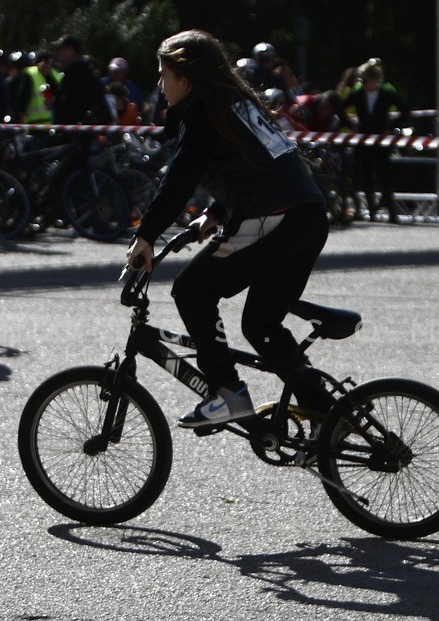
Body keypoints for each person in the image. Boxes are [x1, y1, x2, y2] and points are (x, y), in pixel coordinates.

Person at [125, 30, 329, 428]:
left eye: (164, 74)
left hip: (274, 215)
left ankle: (227, 392)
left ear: (185, 77)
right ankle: (325, 416)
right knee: (261, 325)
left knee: (191, 289)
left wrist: (146, 234)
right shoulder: (232, 104)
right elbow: (255, 165)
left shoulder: (203, 110)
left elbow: (180, 178)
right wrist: (216, 212)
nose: (160, 85)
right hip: (305, 215)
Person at [338, 63, 411, 222]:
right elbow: (340, 108)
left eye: (366, 80)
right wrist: (352, 126)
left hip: (382, 140)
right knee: (366, 176)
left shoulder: (386, 94)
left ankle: (392, 212)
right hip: (364, 140)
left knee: (385, 175)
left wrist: (391, 127)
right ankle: (372, 211)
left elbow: (405, 110)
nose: (363, 83)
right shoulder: (357, 94)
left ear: (375, 80)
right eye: (362, 80)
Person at [51, 34, 112, 125]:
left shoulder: (80, 73)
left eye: (59, 49)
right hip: (72, 131)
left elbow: (73, 104)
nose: (56, 54)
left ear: (70, 50)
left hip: (78, 133)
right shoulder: (72, 72)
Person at [18, 51, 60, 125]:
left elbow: (59, 95)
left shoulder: (55, 75)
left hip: (49, 124)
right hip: (35, 123)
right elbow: (23, 98)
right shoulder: (30, 74)